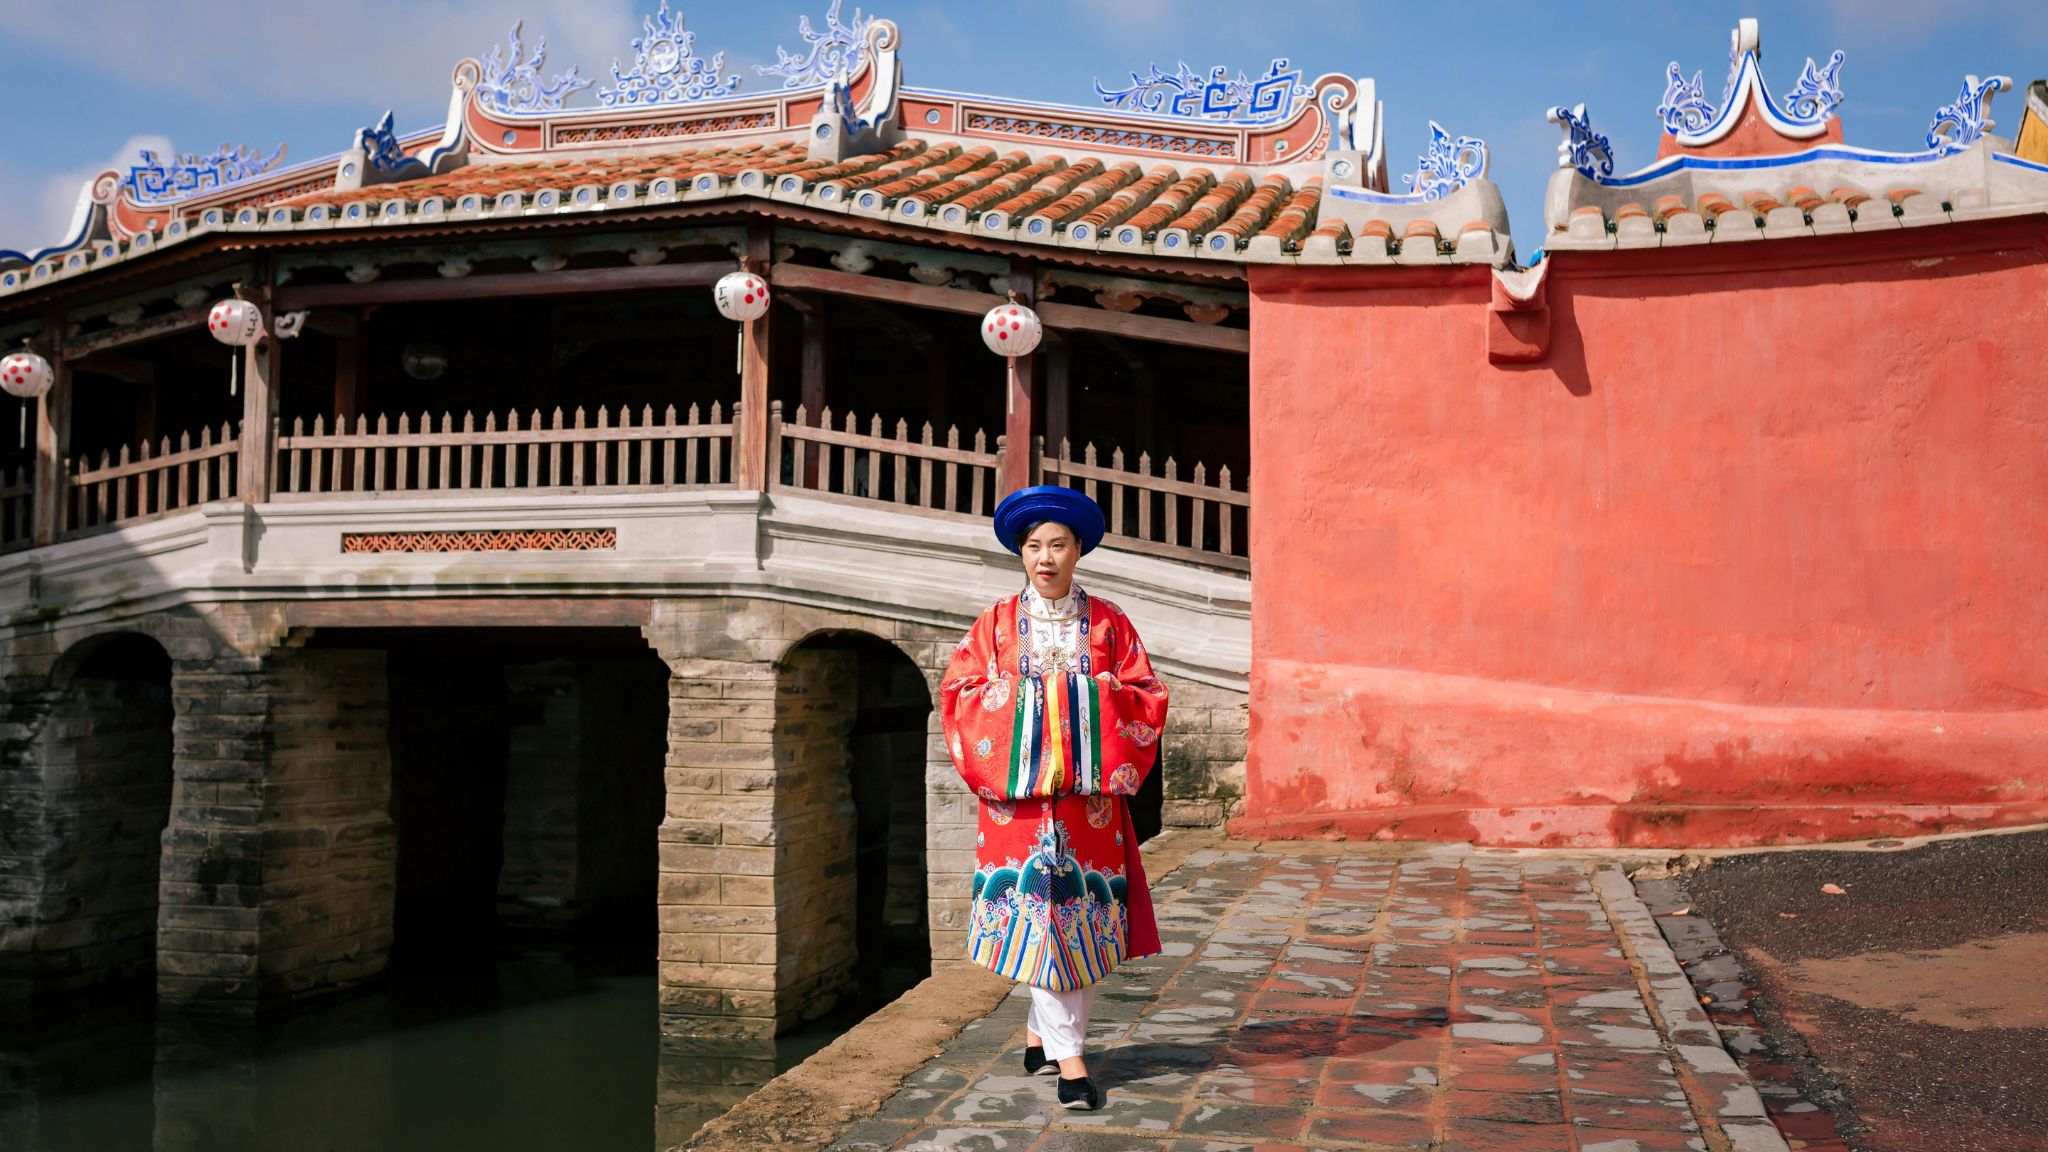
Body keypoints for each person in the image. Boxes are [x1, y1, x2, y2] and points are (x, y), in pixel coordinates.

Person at [939, 484, 1169, 1111]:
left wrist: (1080, 701)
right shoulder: (994, 624)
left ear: (1078, 551)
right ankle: (1072, 1064)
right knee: (1041, 925)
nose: (1045, 557)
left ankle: (1043, 1037)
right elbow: (960, 694)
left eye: (1058, 545)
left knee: (1078, 925)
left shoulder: (1111, 624)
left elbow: (1146, 697)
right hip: (1017, 807)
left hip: (1087, 808)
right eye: (1034, 546)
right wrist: (1050, 704)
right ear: (1021, 553)